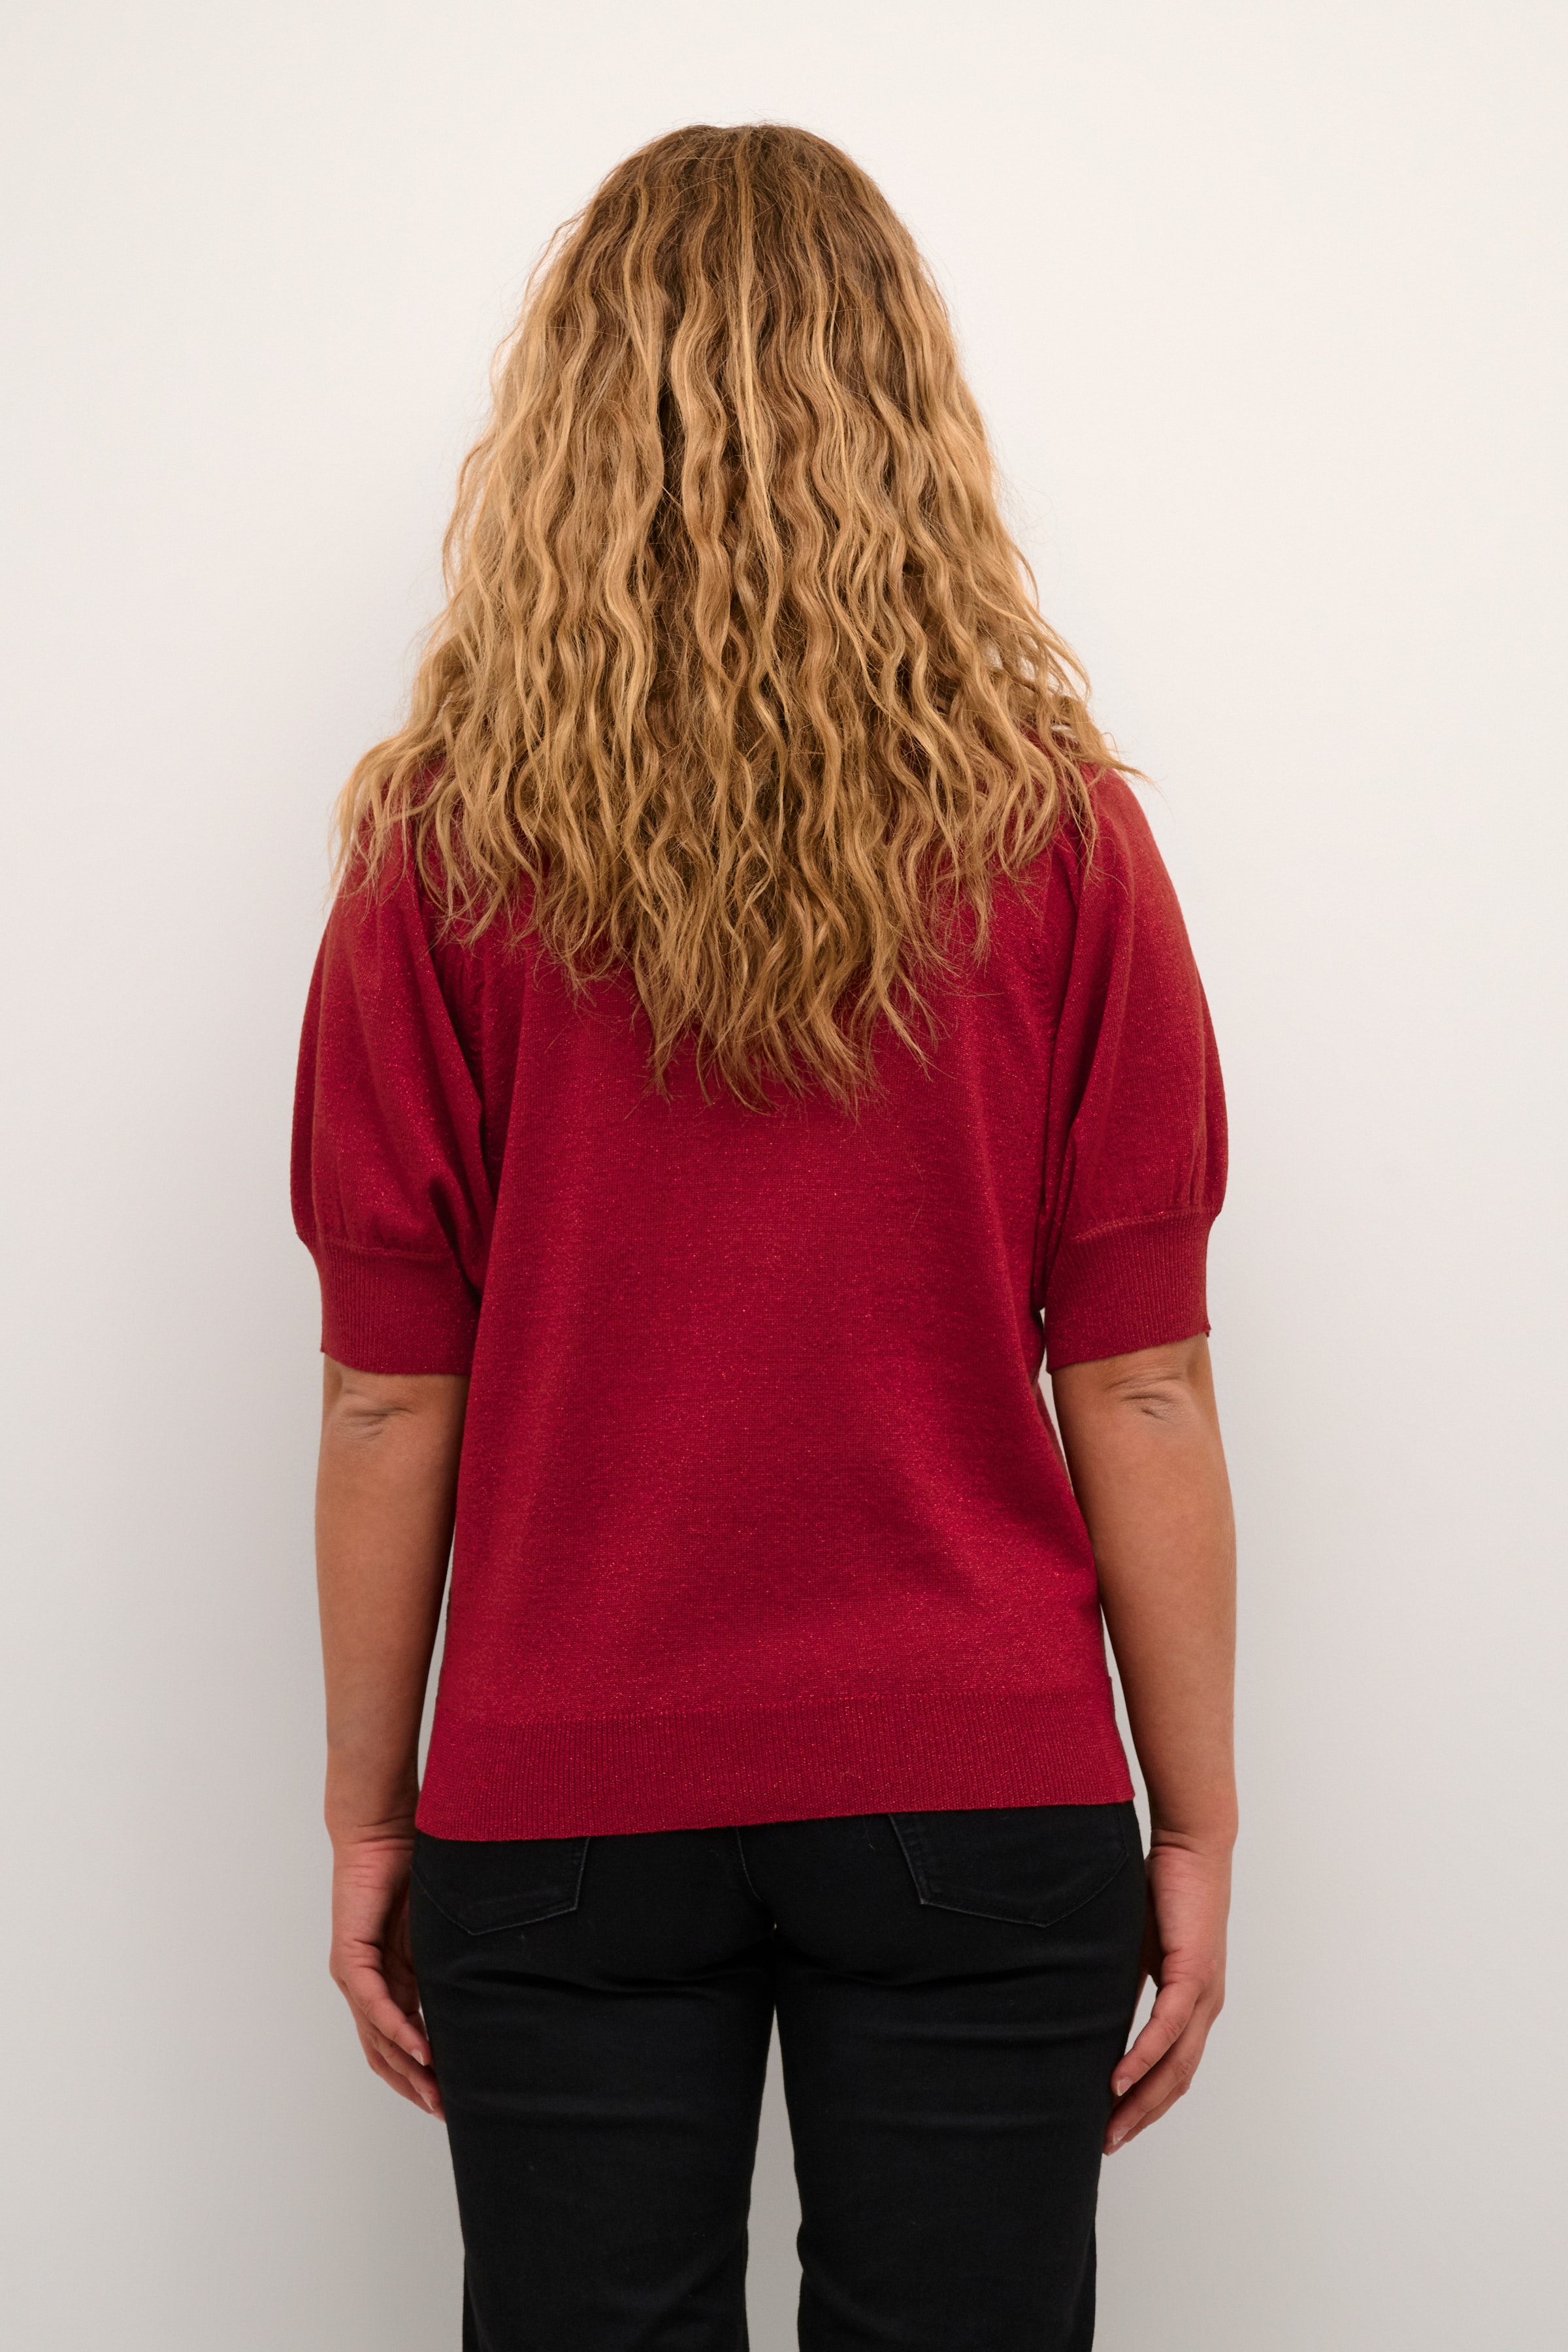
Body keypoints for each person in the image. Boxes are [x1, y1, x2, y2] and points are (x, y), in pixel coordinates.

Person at [292, 122, 1235, 2352]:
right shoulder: (1062, 843)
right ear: (908, 417)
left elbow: (386, 1395)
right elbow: (1140, 1376)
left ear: (564, 433)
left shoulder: (436, 858)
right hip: (980, 1782)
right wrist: (1192, 1826)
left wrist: (372, 1815)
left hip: (561, 1794)